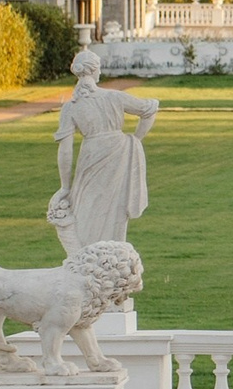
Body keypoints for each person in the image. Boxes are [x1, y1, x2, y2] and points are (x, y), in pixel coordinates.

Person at [53, 48, 159, 255]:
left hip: (91, 155)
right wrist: (136, 139)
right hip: (117, 152)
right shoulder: (114, 97)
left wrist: (65, 186)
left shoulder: (71, 107)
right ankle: (109, 262)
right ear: (94, 71)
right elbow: (150, 109)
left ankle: (90, 262)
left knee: (86, 211)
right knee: (114, 212)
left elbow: (65, 152)